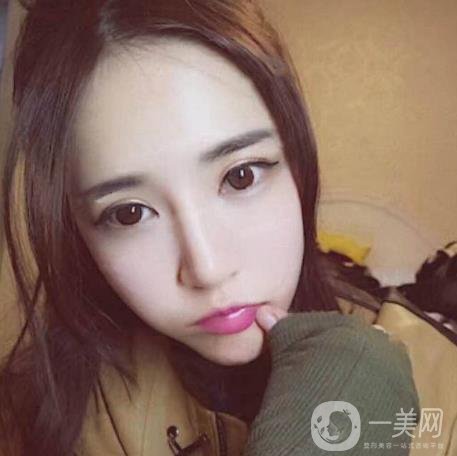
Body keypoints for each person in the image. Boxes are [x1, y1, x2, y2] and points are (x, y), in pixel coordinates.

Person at [0, 1, 419, 454]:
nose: (208, 269)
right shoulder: (38, 415)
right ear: (78, 231)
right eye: (130, 213)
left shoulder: (444, 384)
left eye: (241, 176)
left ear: (297, 163)